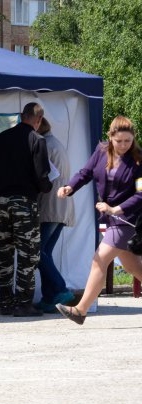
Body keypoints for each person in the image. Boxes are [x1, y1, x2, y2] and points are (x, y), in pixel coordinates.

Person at [55, 115, 142, 325]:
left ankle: (80, 310)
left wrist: (115, 209)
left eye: (127, 141)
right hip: (111, 218)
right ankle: (81, 310)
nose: (123, 145)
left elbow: (140, 194)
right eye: (119, 141)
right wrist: (70, 187)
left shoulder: (139, 160)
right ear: (110, 137)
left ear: (134, 139)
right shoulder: (101, 151)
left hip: (127, 219)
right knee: (133, 268)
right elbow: (85, 173)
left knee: (99, 260)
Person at [0, 102, 52, 317]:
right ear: (38, 121)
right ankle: (23, 304)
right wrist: (46, 186)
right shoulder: (37, 140)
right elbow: (42, 177)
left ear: (22, 116)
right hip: (24, 203)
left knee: (3, 253)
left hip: (2, 202)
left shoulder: (2, 137)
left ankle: (6, 303)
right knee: (28, 254)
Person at [35, 118, 76, 312]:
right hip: (62, 206)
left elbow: (42, 176)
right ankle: (49, 298)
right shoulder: (56, 143)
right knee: (45, 253)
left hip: (51, 206)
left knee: (38, 253)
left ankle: (60, 289)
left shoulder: (44, 144)